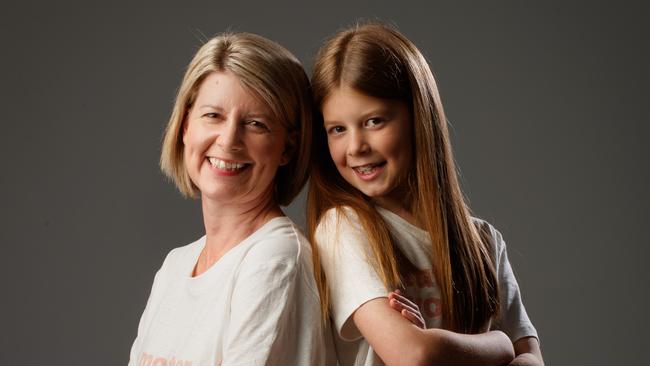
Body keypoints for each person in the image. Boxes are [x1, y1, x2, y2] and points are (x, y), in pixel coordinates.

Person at [307, 22, 544, 366]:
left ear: (418, 117)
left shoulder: (485, 242)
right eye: (338, 129)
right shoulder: (344, 228)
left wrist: (434, 342)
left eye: (374, 121)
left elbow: (533, 360)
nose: (356, 146)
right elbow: (412, 354)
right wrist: (499, 344)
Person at [129, 32, 334, 366]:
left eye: (256, 124)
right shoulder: (174, 268)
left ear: (288, 148)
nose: (228, 140)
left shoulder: (275, 259)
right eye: (213, 116)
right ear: (185, 127)